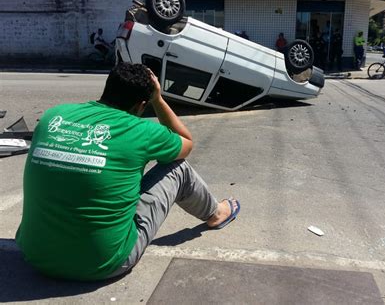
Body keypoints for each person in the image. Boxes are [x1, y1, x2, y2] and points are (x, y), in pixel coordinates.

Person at [15, 63, 240, 281]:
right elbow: (186, 144)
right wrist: (159, 99)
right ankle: (216, 214)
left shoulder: (53, 116)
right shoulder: (142, 130)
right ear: (141, 105)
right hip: (105, 264)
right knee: (177, 168)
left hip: (35, 256)